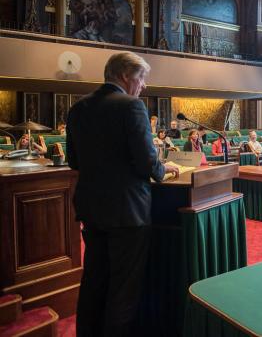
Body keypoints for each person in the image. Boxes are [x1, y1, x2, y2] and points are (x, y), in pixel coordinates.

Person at [66, 51, 179, 336]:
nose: (143, 86)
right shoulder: (131, 106)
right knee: (122, 292)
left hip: (92, 210)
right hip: (128, 213)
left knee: (94, 282)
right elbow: (147, 162)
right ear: (126, 75)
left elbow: (73, 161)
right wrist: (163, 169)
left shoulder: (79, 107)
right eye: (142, 79)